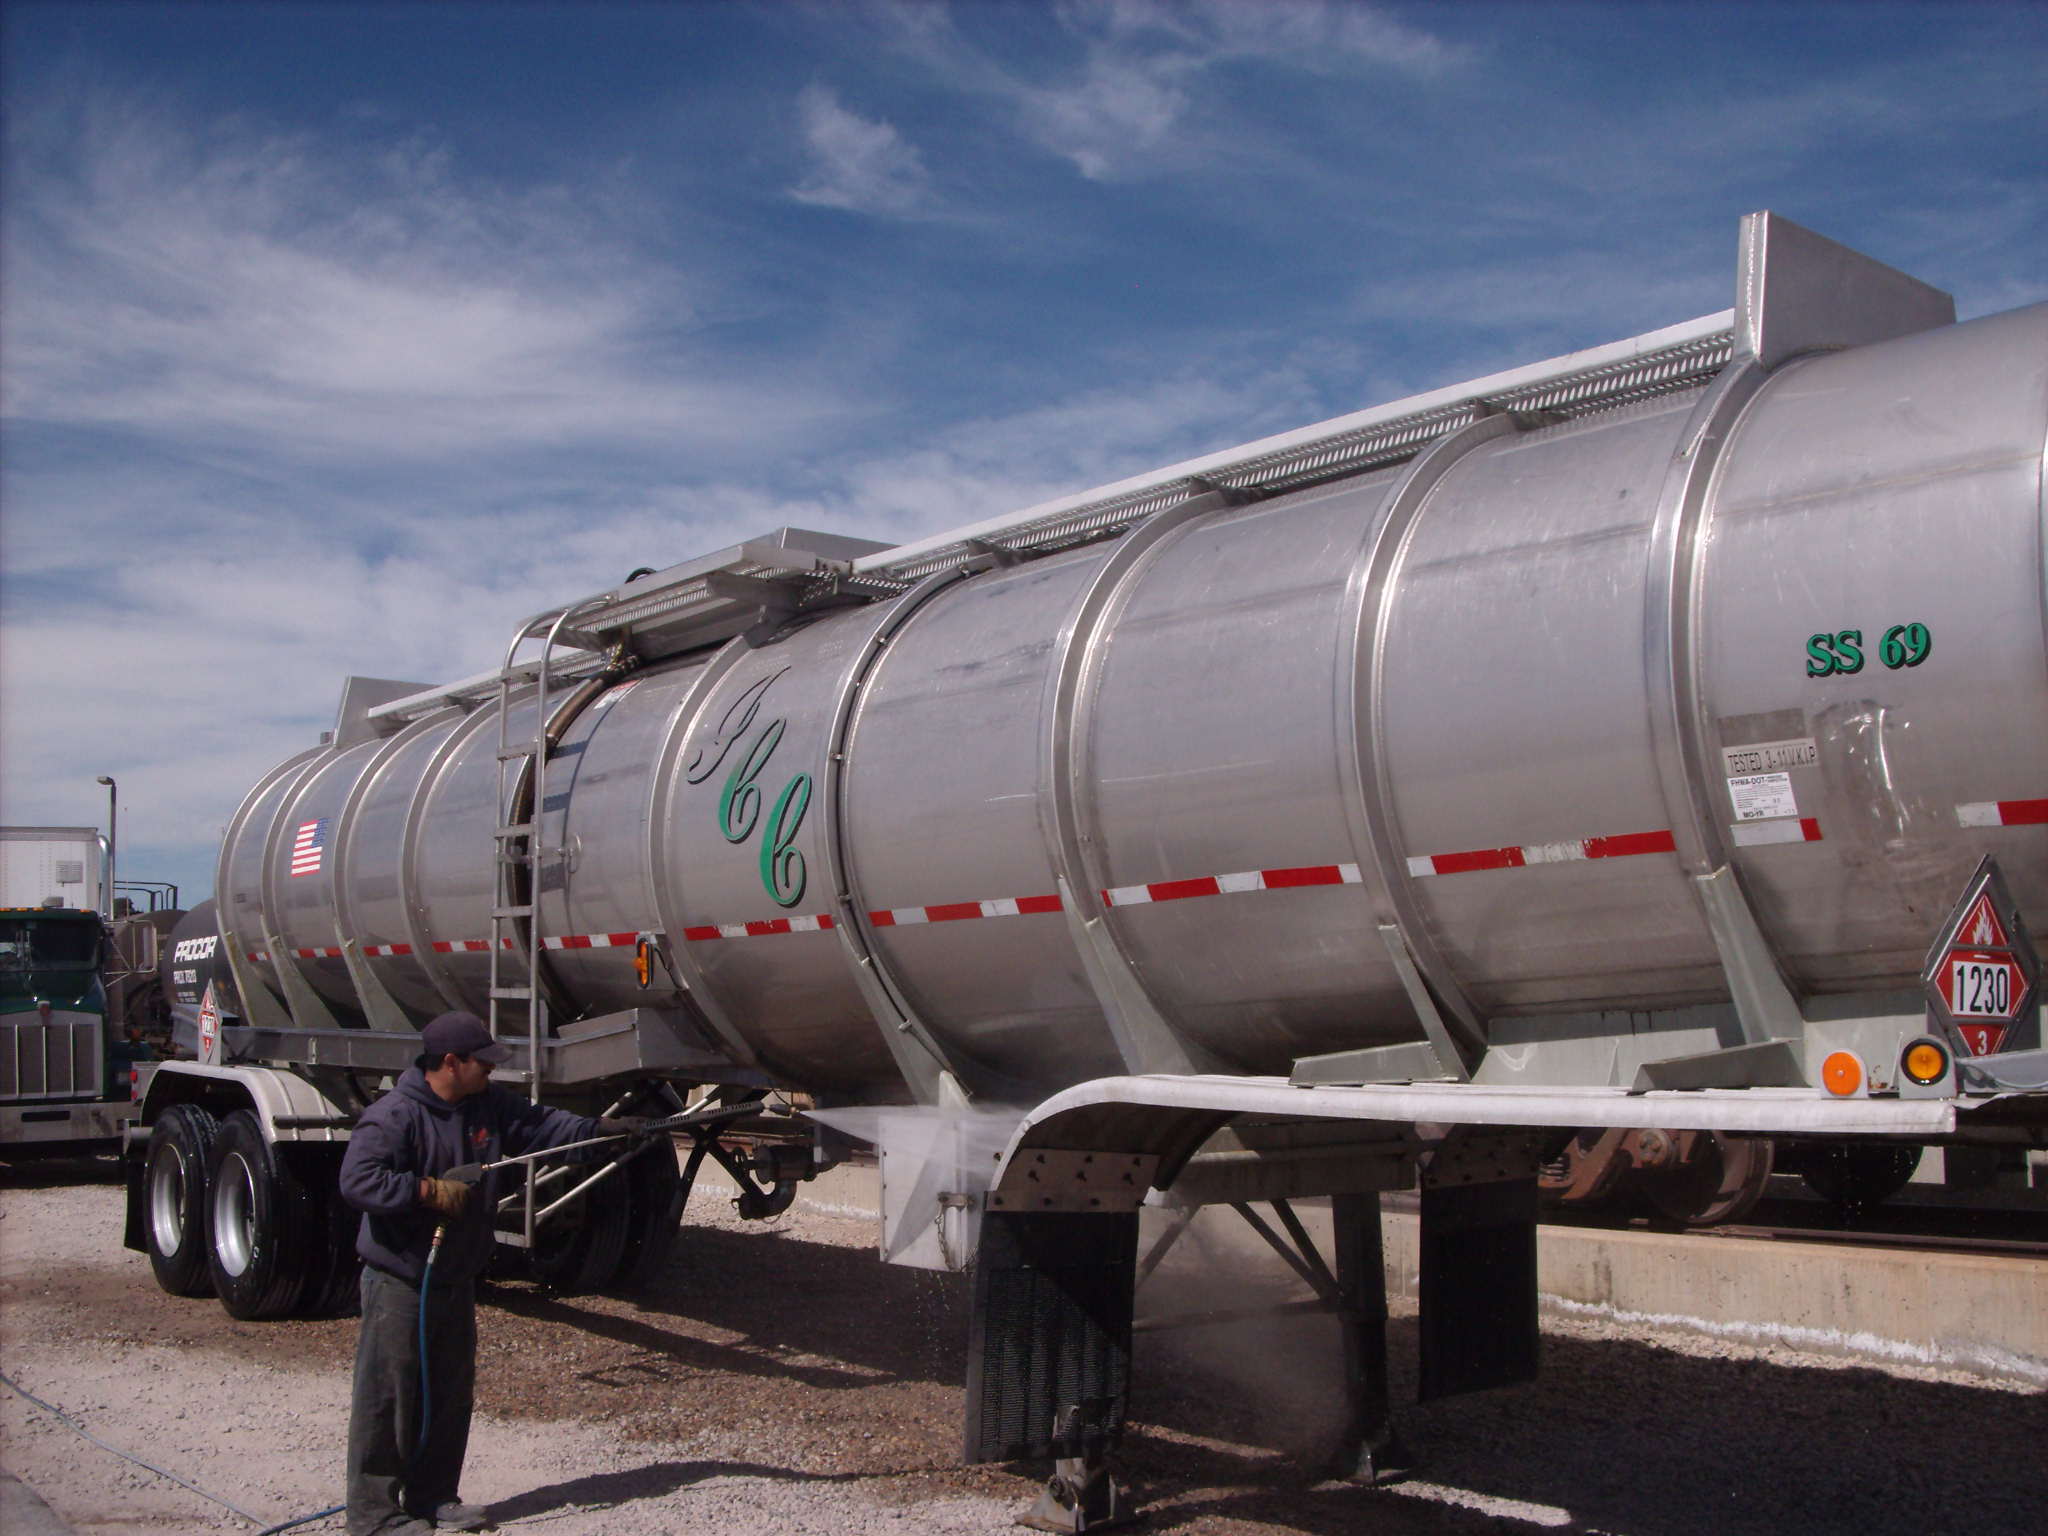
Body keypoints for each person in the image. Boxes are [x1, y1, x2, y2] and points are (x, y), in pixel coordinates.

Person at [339, 1011, 648, 1535]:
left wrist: (600, 1131)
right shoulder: (394, 1116)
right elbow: (358, 1181)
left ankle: (433, 1497)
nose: (491, 1072)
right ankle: (373, 1516)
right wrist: (425, 1191)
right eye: (483, 1064)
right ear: (451, 1063)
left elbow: (543, 1126)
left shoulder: (486, 1105)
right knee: (390, 1396)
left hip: (455, 1277)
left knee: (448, 1393)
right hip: (402, 1281)